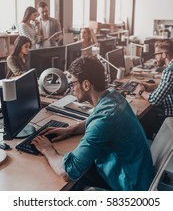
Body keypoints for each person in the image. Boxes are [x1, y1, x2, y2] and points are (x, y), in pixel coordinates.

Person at [32, 55, 153, 191]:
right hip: (140, 175)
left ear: (86, 84)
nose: (71, 89)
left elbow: (66, 172)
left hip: (130, 187)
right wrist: (71, 130)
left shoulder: (104, 118)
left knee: (63, 187)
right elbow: (98, 119)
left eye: (73, 84)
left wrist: (47, 149)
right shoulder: (114, 96)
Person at [134, 39, 173, 118]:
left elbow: (154, 100)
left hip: (169, 115)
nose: (155, 57)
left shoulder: (170, 71)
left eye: (156, 54)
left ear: (164, 54)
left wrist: (141, 91)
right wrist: (154, 86)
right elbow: (169, 85)